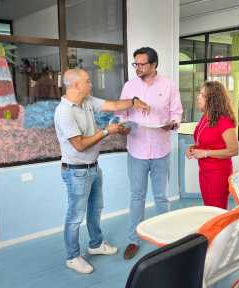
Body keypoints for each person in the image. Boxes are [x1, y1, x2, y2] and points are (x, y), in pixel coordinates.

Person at [54, 68, 149, 274]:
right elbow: (79, 145)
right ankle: (72, 257)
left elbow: (113, 105)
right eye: (88, 81)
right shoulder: (64, 111)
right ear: (76, 85)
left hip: (93, 168)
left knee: (95, 209)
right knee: (75, 217)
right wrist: (107, 131)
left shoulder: (87, 102)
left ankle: (96, 244)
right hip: (76, 172)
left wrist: (133, 101)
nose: (91, 84)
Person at [118, 47, 183, 260]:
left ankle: (164, 241)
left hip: (161, 150)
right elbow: (121, 113)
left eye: (142, 64)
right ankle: (133, 240)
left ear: (154, 65)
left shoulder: (168, 85)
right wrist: (123, 125)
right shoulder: (129, 86)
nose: (137, 68)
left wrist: (172, 125)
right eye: (135, 64)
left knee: (161, 197)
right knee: (136, 196)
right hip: (136, 150)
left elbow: (177, 112)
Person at [186, 81, 239, 209]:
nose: (198, 97)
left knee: (217, 210)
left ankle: (220, 230)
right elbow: (205, 141)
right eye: (200, 94)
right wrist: (192, 148)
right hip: (204, 171)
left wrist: (205, 153)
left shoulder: (224, 121)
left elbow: (234, 150)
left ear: (213, 100)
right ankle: (212, 229)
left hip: (218, 174)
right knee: (208, 209)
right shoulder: (206, 117)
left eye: (203, 95)